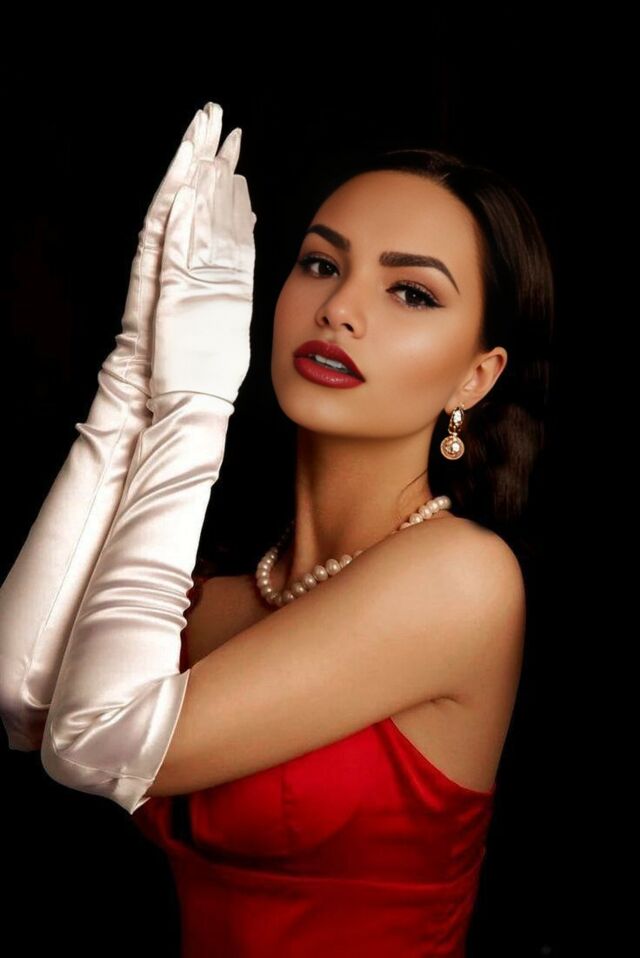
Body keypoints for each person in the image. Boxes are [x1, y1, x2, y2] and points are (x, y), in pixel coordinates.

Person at [0, 101, 553, 956]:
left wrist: (193, 404)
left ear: (475, 378)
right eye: (321, 264)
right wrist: (136, 368)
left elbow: (97, 744)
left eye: (410, 292)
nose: (340, 309)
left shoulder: (462, 580)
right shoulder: (207, 592)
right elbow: (26, 701)